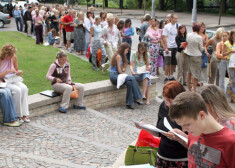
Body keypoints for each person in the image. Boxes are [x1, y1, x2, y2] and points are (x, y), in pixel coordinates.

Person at [169, 91, 235, 167]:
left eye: (187, 124)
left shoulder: (231, 142)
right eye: (181, 126)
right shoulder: (193, 133)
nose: (184, 130)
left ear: (202, 115)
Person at [135, 81, 188, 168]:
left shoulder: (188, 112)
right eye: (166, 101)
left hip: (181, 160)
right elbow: (159, 132)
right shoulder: (164, 107)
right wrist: (144, 127)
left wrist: (178, 137)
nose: (169, 105)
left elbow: (193, 144)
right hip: (162, 157)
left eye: (171, 102)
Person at [0, 44, 30, 123]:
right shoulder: (0, 59)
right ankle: (17, 115)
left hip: (13, 78)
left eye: (12, 55)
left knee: (24, 88)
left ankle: (25, 114)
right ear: (5, 54)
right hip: (3, 80)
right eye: (9, 55)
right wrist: (7, 71)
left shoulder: (14, 57)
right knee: (17, 90)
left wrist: (18, 72)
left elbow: (15, 70)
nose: (11, 57)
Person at [109, 43, 143, 109]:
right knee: (132, 78)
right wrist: (124, 75)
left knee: (130, 82)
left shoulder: (121, 56)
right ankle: (138, 97)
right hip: (114, 76)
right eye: (127, 50)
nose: (127, 52)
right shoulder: (118, 56)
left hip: (118, 75)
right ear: (123, 49)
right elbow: (119, 70)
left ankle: (129, 103)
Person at [184, 23, 203, 92]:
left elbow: (187, 43)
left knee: (189, 72)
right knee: (195, 73)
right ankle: (194, 89)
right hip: (196, 55)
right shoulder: (199, 37)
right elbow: (200, 48)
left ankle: (188, 88)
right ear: (198, 29)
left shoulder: (188, 35)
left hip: (188, 54)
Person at [162, 14, 178, 83]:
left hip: (175, 46)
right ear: (171, 18)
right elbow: (164, 37)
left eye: (177, 18)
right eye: (175, 18)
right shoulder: (167, 26)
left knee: (174, 62)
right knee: (168, 63)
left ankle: (171, 75)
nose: (176, 19)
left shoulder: (178, 26)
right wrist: (166, 47)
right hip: (169, 46)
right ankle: (166, 76)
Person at [224, 29, 235, 103]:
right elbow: (223, 54)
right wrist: (231, 51)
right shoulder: (227, 43)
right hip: (230, 63)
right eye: (234, 35)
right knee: (231, 81)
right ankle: (227, 96)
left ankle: (233, 96)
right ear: (231, 35)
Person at [199, 22, 209, 86]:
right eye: (201, 27)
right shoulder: (197, 34)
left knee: (203, 67)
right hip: (197, 52)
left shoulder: (205, 35)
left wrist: (206, 52)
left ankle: (202, 82)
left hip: (203, 51)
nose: (202, 28)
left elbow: (205, 45)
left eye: (203, 27)